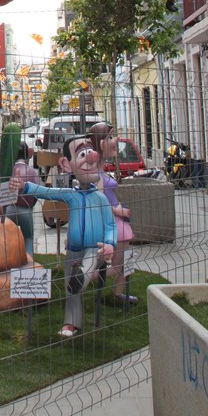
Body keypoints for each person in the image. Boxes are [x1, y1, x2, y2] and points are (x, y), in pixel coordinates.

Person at [9, 134, 117, 339]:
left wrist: (110, 243)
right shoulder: (71, 195)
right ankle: (71, 322)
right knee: (70, 289)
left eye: (91, 152)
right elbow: (47, 192)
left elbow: (111, 225)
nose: (91, 157)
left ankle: (81, 277)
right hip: (73, 250)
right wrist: (25, 187)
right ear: (67, 165)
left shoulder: (101, 199)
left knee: (86, 266)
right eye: (82, 154)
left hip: (95, 248)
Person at [88, 122, 137, 305]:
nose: (115, 140)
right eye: (110, 137)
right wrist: (117, 209)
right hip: (113, 223)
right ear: (101, 143)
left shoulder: (100, 169)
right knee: (117, 266)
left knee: (121, 262)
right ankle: (81, 279)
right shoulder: (95, 173)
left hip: (116, 222)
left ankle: (116, 294)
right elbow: (98, 199)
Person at [3, 141, 40, 256]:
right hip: (26, 210)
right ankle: (29, 262)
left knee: (8, 238)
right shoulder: (32, 171)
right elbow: (36, 193)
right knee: (28, 238)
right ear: (27, 154)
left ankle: (9, 262)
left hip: (9, 208)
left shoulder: (8, 170)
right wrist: (30, 205)